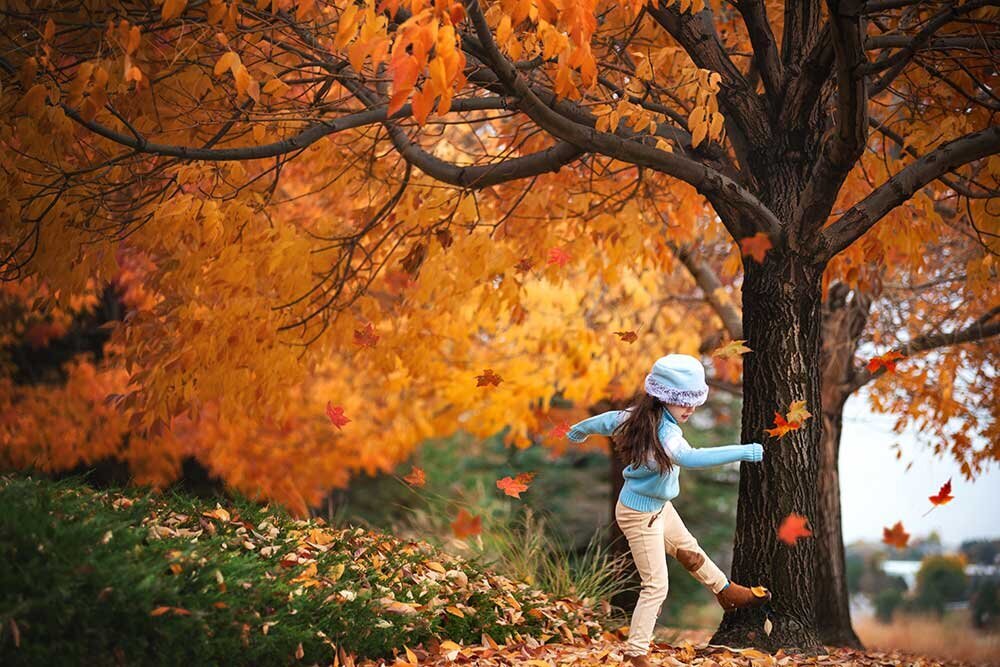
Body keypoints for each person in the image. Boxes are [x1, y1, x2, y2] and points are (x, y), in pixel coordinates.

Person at [567, 353, 770, 666]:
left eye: (694, 402)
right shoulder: (666, 433)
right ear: (662, 399)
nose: (690, 409)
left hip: (659, 507)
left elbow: (606, 420)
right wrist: (744, 452)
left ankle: (726, 592)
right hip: (639, 516)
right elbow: (690, 458)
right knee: (656, 585)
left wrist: (581, 429)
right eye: (683, 402)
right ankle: (636, 651)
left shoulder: (638, 416)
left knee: (689, 550)